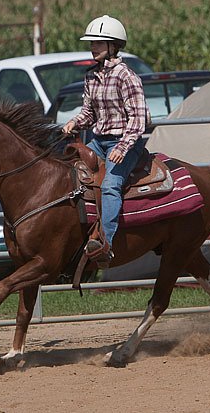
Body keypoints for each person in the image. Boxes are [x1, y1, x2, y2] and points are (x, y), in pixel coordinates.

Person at [62, 15, 149, 266]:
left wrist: (123, 147)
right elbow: (89, 113)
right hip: (99, 142)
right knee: (67, 171)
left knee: (111, 185)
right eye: (92, 43)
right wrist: (74, 123)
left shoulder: (127, 76)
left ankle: (106, 245)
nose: (93, 47)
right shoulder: (91, 76)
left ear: (114, 46)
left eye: (99, 43)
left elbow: (138, 119)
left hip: (125, 143)